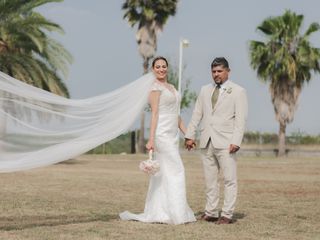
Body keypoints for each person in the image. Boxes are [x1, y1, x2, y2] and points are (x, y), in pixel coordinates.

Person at [119, 56, 196, 224]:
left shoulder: (173, 88)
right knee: (177, 169)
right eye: (158, 66)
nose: (161, 69)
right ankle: (178, 213)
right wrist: (151, 139)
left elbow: (177, 116)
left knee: (165, 174)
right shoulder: (154, 89)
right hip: (161, 135)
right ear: (153, 69)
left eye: (164, 66)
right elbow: (154, 114)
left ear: (167, 68)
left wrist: (188, 134)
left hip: (173, 135)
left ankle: (162, 211)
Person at [185, 57, 248, 224]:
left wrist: (236, 141)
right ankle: (211, 212)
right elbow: (197, 113)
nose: (216, 74)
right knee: (210, 180)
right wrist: (190, 135)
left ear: (228, 71)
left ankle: (227, 214)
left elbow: (240, 120)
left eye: (219, 71)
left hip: (227, 142)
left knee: (229, 179)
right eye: (213, 71)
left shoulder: (238, 91)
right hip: (206, 141)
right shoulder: (205, 90)